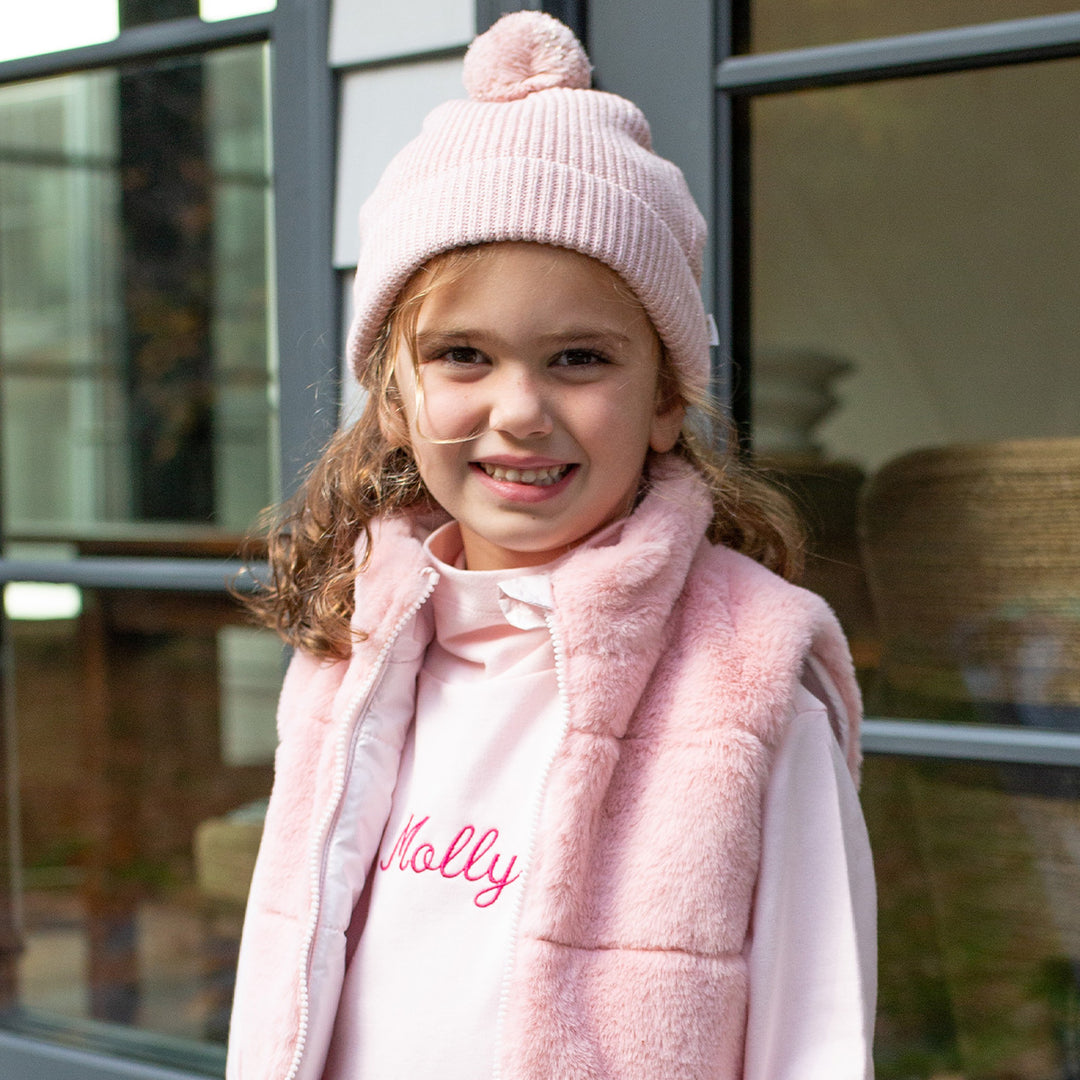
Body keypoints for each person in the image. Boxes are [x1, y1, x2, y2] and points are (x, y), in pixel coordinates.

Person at [226, 11, 876, 1080]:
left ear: (666, 398)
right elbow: (278, 978)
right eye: (464, 356)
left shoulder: (747, 688)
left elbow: (816, 1036)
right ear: (395, 399)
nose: (520, 410)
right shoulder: (348, 656)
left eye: (578, 357)